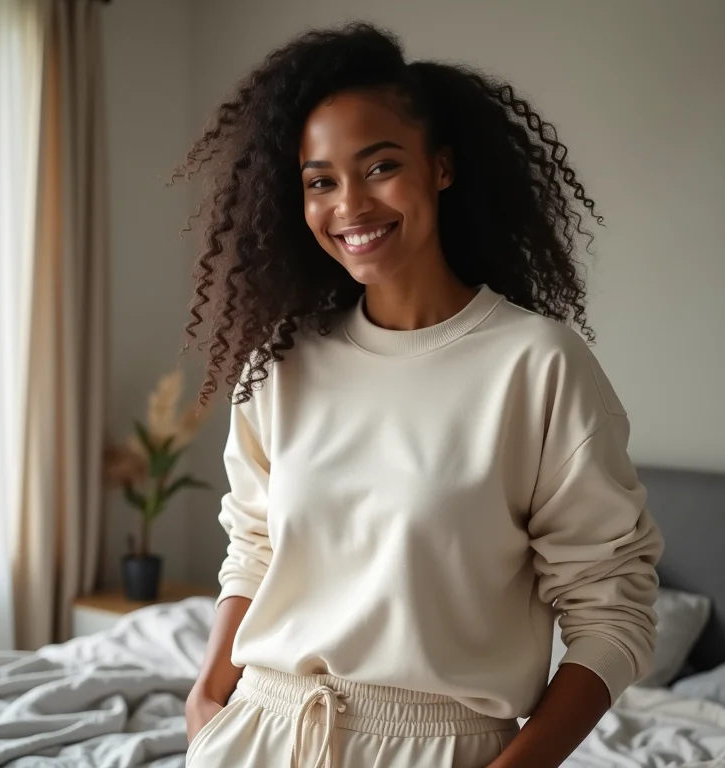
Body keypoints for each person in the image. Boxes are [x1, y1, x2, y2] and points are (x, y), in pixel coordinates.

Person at [176, 21, 663, 768]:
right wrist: (207, 699)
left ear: (440, 166)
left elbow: (613, 612)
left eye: (379, 167)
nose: (350, 205)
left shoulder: (535, 365)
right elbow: (255, 546)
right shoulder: (281, 362)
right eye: (320, 181)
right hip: (258, 734)